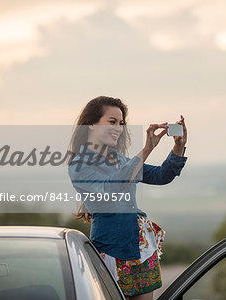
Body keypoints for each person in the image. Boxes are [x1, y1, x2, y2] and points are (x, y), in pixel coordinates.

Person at [67, 96, 187, 299]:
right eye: (112, 122)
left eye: (121, 123)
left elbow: (161, 175)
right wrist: (147, 149)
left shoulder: (121, 160)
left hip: (139, 249)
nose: (119, 128)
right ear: (91, 126)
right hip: (109, 251)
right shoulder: (80, 164)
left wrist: (179, 146)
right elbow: (112, 187)